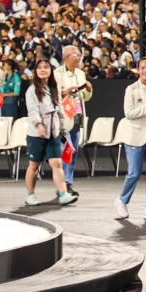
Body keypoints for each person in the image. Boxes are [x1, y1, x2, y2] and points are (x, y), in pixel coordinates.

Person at [23, 59, 78, 207]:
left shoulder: (54, 87)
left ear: (50, 70)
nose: (43, 70)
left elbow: (59, 110)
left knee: (57, 163)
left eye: (46, 67)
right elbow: (32, 110)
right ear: (35, 71)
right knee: (34, 165)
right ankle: (30, 195)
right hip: (37, 133)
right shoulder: (32, 90)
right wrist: (39, 124)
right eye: (40, 68)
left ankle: (63, 194)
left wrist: (62, 130)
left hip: (53, 132)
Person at [115, 58, 146, 220]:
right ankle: (122, 200)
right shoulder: (131, 89)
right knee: (134, 173)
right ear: (138, 70)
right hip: (134, 137)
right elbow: (129, 114)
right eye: (143, 68)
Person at [54, 46, 92, 197]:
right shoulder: (57, 74)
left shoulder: (81, 74)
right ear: (67, 57)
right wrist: (66, 91)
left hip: (77, 116)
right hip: (63, 119)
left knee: (73, 150)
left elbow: (86, 98)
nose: (79, 57)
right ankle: (62, 185)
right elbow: (53, 94)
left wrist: (88, 90)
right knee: (66, 149)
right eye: (77, 55)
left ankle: (68, 183)